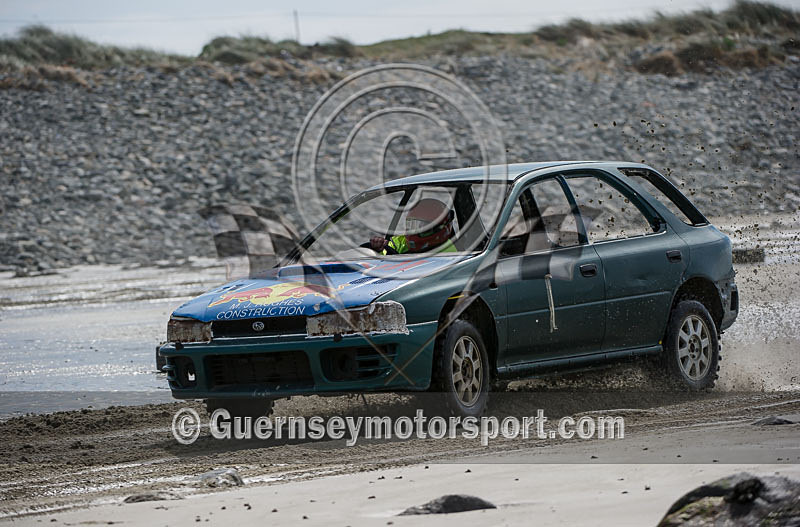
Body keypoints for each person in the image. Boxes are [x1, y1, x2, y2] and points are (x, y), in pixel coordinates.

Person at [370, 198, 457, 255]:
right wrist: (378, 249)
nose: (414, 231)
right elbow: (386, 251)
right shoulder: (401, 242)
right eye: (411, 225)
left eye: (422, 226)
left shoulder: (450, 254)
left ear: (438, 228)